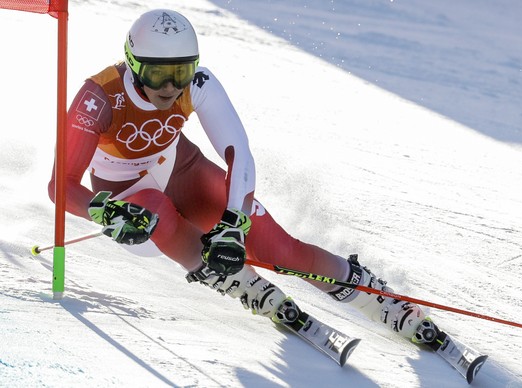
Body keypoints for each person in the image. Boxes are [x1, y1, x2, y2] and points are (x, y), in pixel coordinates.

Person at [48, 9, 438, 346]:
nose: (170, 87)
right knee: (155, 209)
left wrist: (233, 222)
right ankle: (236, 279)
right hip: (130, 202)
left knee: (281, 250)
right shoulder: (98, 96)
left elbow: (239, 153)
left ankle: (376, 296)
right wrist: (106, 212)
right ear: (133, 64)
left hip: (183, 171)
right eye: (157, 74)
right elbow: (59, 186)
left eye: (179, 72)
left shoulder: (198, 84)